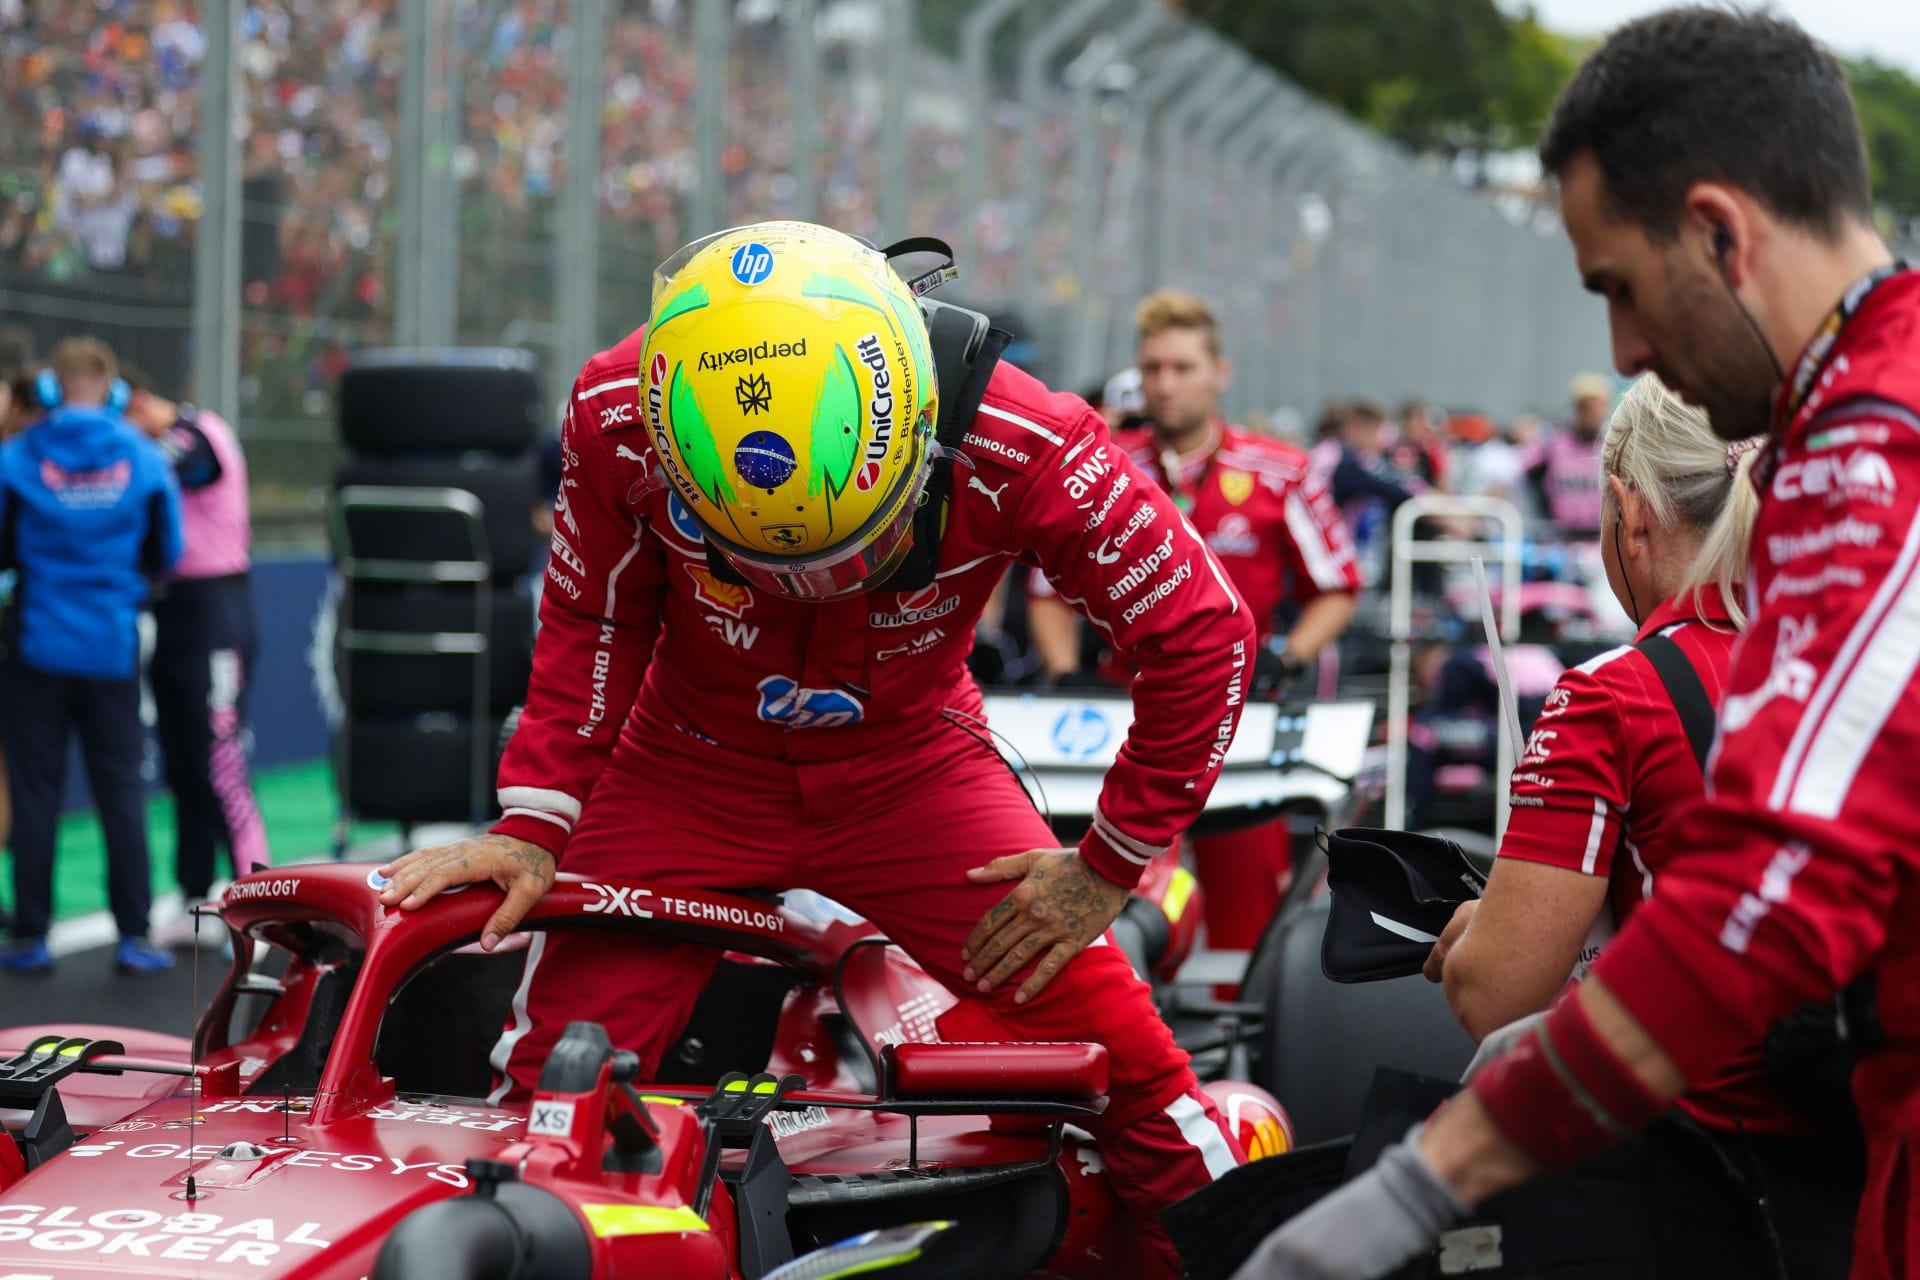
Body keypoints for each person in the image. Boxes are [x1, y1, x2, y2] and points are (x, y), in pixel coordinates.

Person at [377, 222, 1252, 1274]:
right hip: (686, 766)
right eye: (761, 560)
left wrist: (1110, 862)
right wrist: (536, 819)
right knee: (547, 1089)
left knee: (1135, 1069)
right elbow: (592, 617)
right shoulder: (620, 411)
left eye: (852, 549)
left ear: (923, 436)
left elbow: (1206, 631)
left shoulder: (1027, 435)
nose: (809, 583)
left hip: (915, 768)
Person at [1233, 10, 1920, 1277]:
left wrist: (1421, 1183)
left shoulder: (1875, 453)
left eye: (1618, 287)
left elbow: (1755, 908)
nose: (1624, 353)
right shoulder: (1855, 424)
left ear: (1720, 231)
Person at [1422, 373, 1859, 1276]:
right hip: (1870, 1165)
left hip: (1696, 1183)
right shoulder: (1860, 660)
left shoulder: (1612, 695)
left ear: (1628, 511)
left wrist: (1472, 936)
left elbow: (1497, 995)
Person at [1028, 289, 1360, 959]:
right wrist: (1064, 671)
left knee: (1248, 923)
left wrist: (1287, 657)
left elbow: (1338, 587)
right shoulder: (1102, 466)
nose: (1165, 384)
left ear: (1220, 373)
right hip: (1123, 719)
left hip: (1243, 717)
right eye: (1153, 368)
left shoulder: (1280, 471)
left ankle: (1244, 1056)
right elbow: (1044, 591)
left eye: (1182, 367)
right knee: (1115, 906)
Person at [0, 337, 182, 976]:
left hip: (37, 646)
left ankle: (30, 936)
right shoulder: (144, 454)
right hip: (110, 644)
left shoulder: (17, 457)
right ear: (110, 390)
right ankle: (133, 935)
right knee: (121, 790)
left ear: (50, 388)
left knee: (35, 793)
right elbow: (169, 552)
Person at [123, 368, 272, 947]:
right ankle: (194, 895)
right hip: (173, 609)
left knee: (220, 761)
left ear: (137, 402)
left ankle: (260, 900)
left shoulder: (199, 431)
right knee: (182, 764)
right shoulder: (159, 441)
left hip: (217, 613)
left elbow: (173, 466)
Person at [1526, 372, 1611, 540]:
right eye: (1588, 407)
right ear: (1577, 408)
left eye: (1600, 406)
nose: (1595, 413)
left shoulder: (1611, 447)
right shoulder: (1552, 444)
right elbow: (1526, 478)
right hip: (1560, 538)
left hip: (1599, 538)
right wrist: (1542, 521)